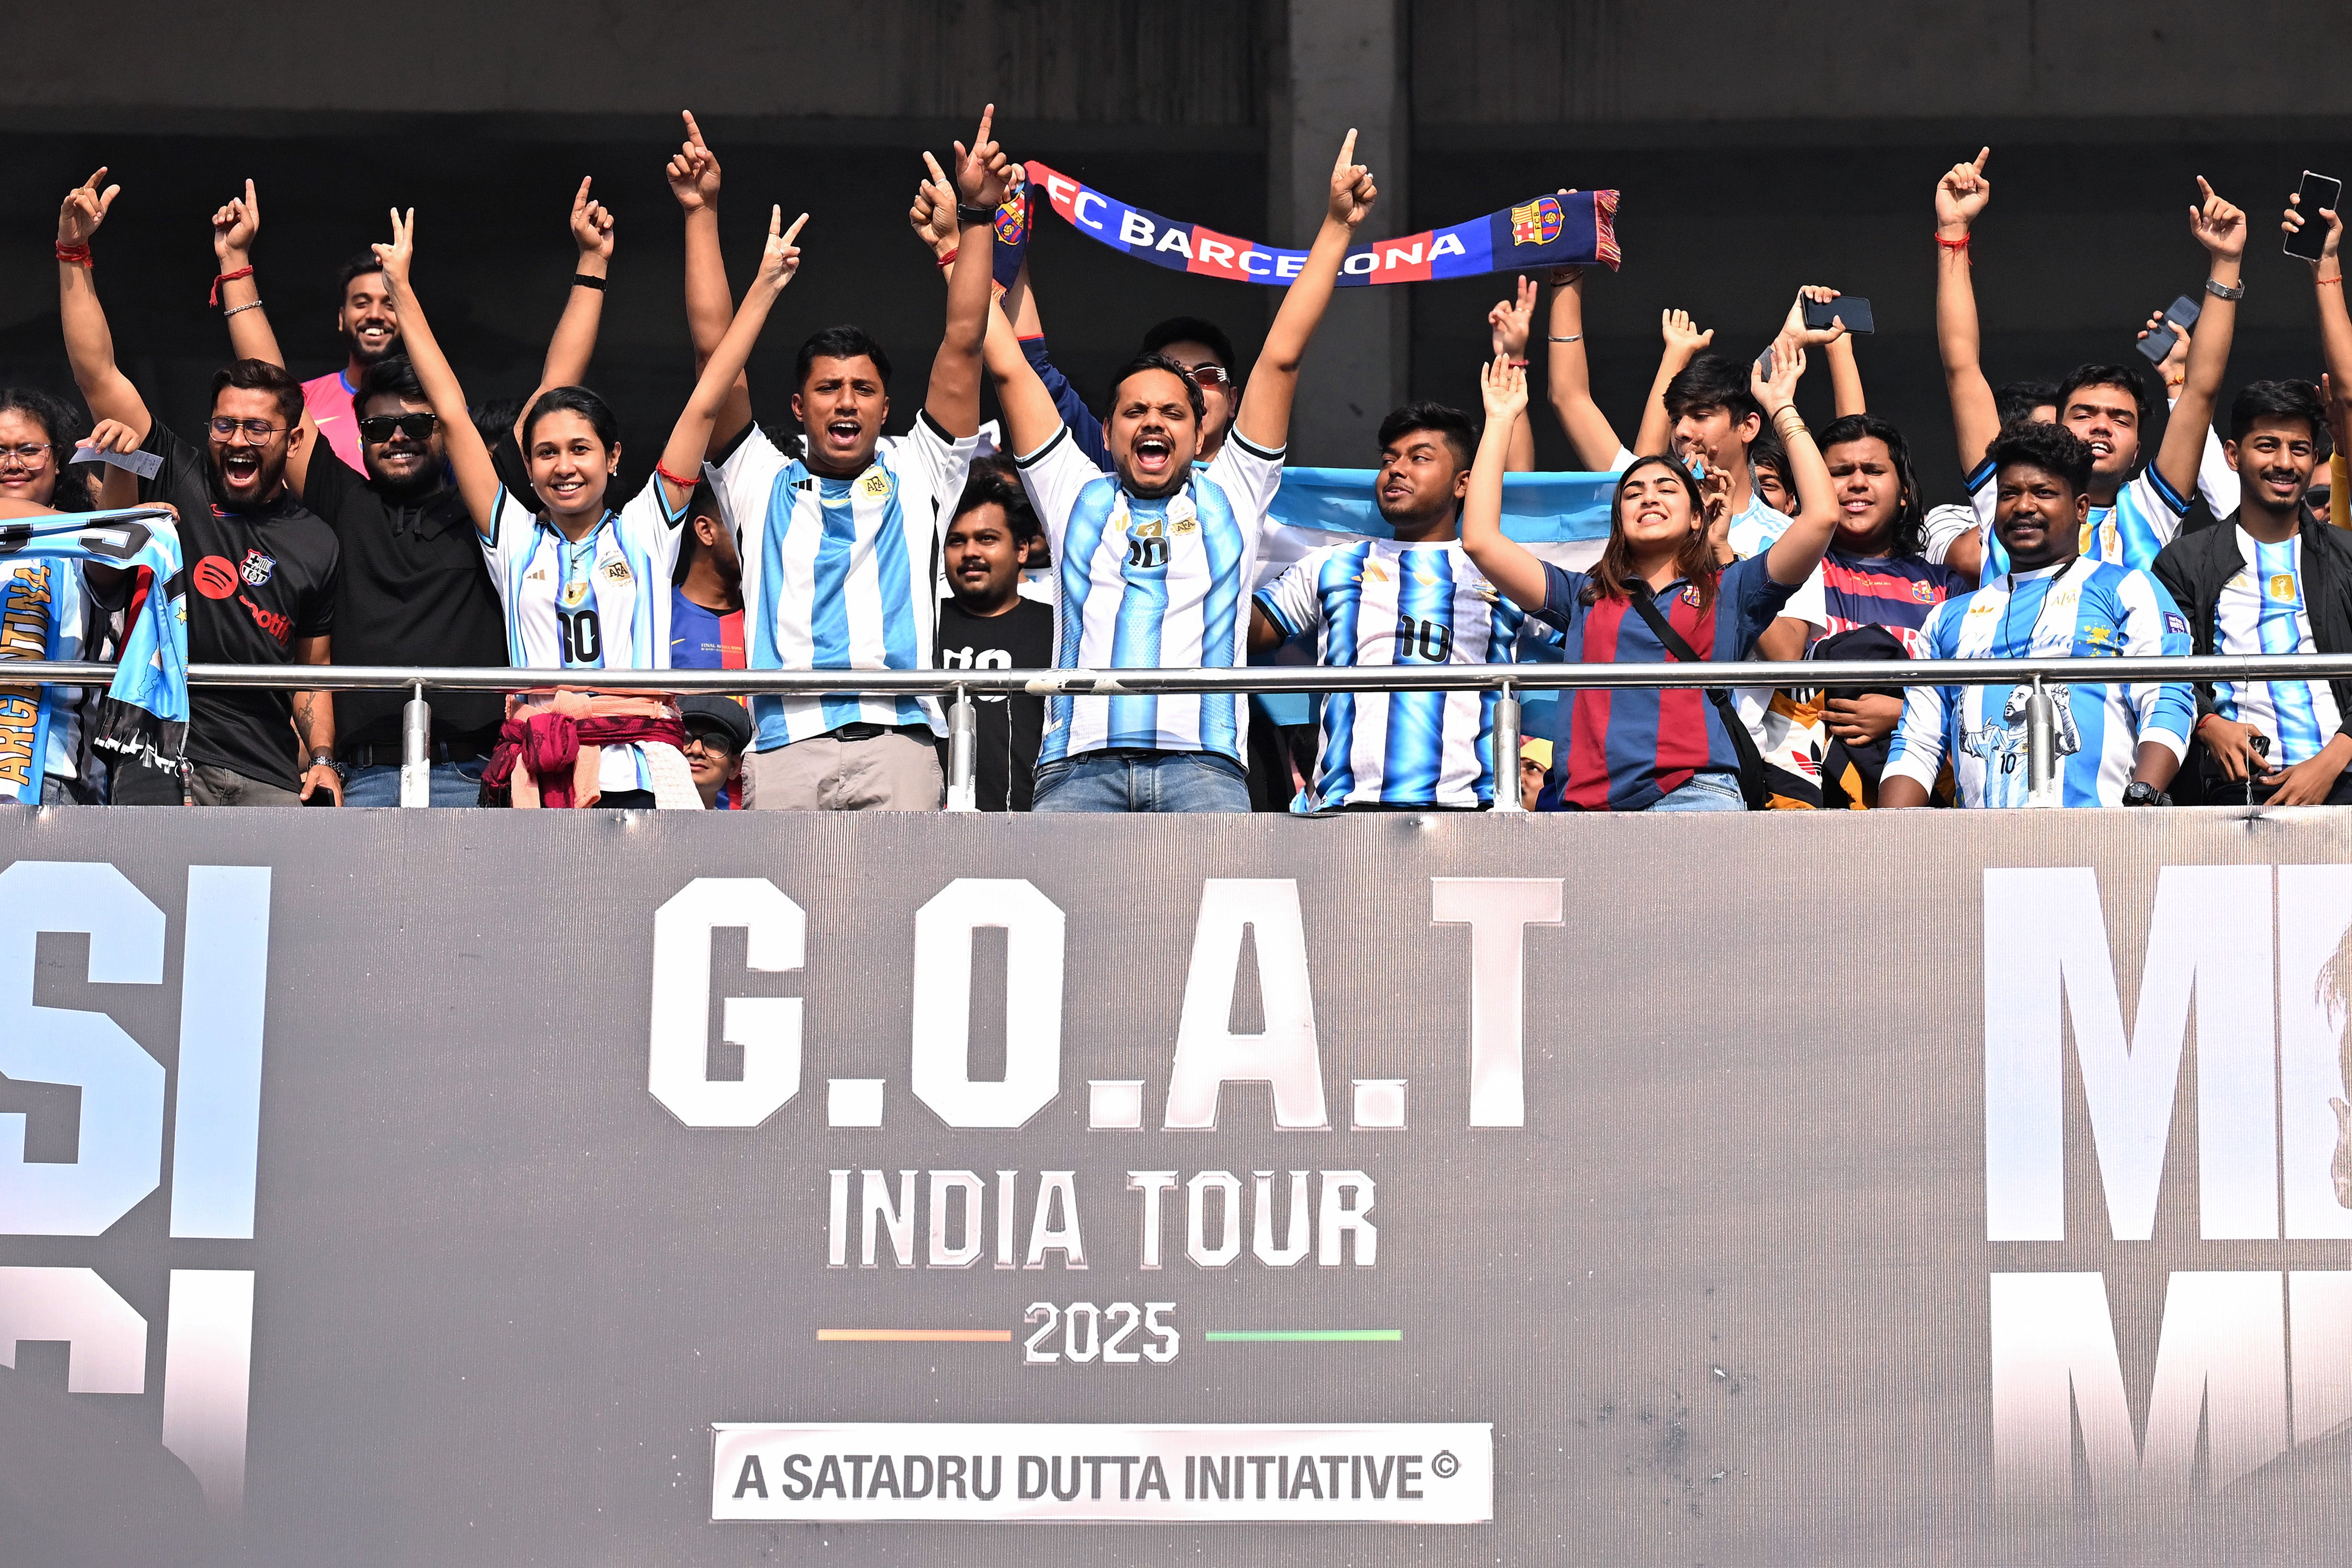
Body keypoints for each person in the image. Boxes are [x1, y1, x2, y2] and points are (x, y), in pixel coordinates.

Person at [986, 130, 1375, 813]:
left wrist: (1336, 228)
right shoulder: (1072, 491)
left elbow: (1280, 357)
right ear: (1107, 432)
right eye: (1134, 410)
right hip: (1075, 773)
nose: (1153, 422)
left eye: (1172, 410)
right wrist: (958, 246)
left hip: (1202, 771)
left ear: (1202, 431)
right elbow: (1009, 363)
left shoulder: (1233, 489)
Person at [382, 193, 810, 810]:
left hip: (641, 777)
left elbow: (707, 400)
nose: (564, 467)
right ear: (526, 469)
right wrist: (401, 288)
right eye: (547, 453)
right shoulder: (513, 539)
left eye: (580, 449)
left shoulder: (646, 528)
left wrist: (765, 288)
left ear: (611, 459)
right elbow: (449, 410)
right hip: (538, 775)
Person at [206, 180, 611, 805]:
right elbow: (274, 394)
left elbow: (556, 388)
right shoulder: (343, 503)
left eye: (418, 424)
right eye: (379, 426)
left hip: (478, 776)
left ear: (445, 431)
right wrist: (235, 263)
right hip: (361, 778)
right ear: (360, 436)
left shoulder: (483, 508)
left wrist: (592, 263)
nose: (398, 436)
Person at [676, 108, 996, 810]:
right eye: (827, 389)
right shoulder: (759, 479)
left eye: (862, 390)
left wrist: (976, 218)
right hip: (784, 750)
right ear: (799, 407)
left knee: (896, 922)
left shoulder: (921, 467)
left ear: (887, 408)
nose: (844, 403)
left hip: (900, 746)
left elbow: (966, 339)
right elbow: (713, 356)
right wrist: (702, 213)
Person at [56, 167, 343, 807]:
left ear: (293, 442)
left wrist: (323, 759)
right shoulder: (174, 472)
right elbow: (95, 371)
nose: (237, 441)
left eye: (257, 430)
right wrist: (73, 253)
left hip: (269, 774)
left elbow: (311, 676)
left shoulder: (317, 541)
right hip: (162, 754)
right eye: (224, 424)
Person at [1461, 348, 1837, 812]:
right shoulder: (1583, 595)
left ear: (1698, 517)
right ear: (1618, 520)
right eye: (1633, 492)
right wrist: (1499, 420)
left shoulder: (1731, 590)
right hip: (1586, 804)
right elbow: (1479, 540)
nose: (1648, 497)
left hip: (1694, 795)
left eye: (1666, 489)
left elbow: (1820, 517)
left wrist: (1782, 408)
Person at [1934, 148, 2244, 580]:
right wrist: (1952, 230)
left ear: (2137, 451)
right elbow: (1961, 368)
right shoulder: (2006, 497)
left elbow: (2200, 391)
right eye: (2083, 414)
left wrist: (2226, 263)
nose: (2101, 426)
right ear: (2055, 431)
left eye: (2120, 419)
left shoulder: (2149, 507)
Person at [1881, 423, 2194, 809]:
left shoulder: (2129, 588)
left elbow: (2167, 698)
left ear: (2081, 508)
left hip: (2104, 838)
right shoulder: (1947, 618)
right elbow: (1917, 741)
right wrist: (1884, 841)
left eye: (2043, 493)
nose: (2023, 506)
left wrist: (2143, 800)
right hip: (1980, 852)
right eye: (2009, 494)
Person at [1247, 401, 1527, 811]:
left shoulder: (1505, 573)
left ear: (1463, 483)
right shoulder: (1331, 566)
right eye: (1388, 460)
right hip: (1346, 810)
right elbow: (1235, 630)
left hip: (1474, 812)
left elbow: (1594, 622)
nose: (1396, 469)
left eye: (1419, 458)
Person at [2152, 379, 2352, 805]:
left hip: (2343, 780)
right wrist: (2207, 723)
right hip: (2234, 794)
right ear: (2231, 455)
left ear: (2314, 457)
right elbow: (2166, 670)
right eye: (2266, 445)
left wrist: (2331, 762)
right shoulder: (2184, 562)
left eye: (2298, 449)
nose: (2284, 462)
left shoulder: (2345, 555)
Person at [0, 389, 104, 803]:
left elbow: (120, 550)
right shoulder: (83, 527)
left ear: (58, 460)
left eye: (29, 450)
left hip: (52, 776)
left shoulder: (85, 544)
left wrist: (120, 478)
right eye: (0, 451)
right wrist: (89, 524)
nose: (12, 464)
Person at [935, 462, 1053, 810]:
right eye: (957, 541)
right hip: (926, 828)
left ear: (1020, 549)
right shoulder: (922, 624)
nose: (970, 552)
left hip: (1027, 830)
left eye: (986, 539)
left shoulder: (1056, 629)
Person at [301, 240, 406, 474]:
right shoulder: (301, 403)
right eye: (362, 304)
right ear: (341, 318)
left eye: (390, 305)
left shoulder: (437, 408)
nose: (375, 315)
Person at [679, 694, 751, 809]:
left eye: (715, 742)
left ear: (734, 766)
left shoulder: (734, 827)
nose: (696, 750)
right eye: (684, 737)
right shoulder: (640, 818)